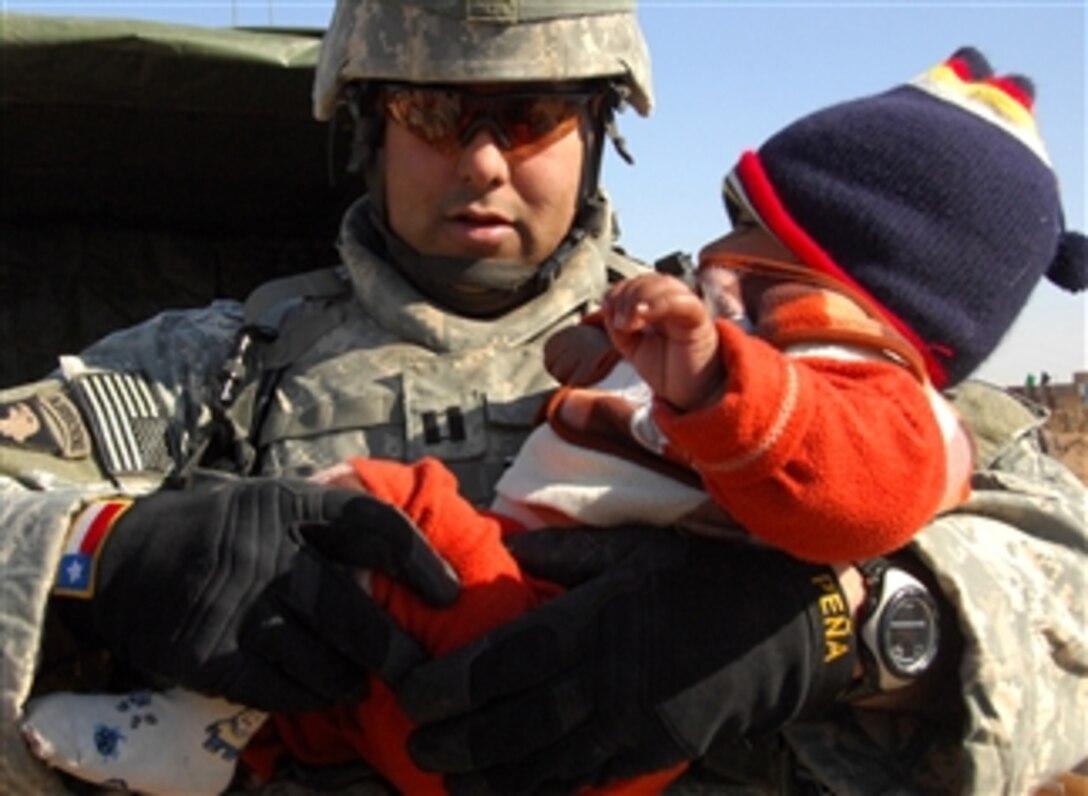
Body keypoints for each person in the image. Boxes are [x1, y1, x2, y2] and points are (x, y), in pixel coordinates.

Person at [1, 0, 1084, 791]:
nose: (478, 162)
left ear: (596, 131)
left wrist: (842, 629)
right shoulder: (218, 361)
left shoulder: (749, 350)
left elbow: (1065, 574)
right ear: (369, 126)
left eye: (526, 117)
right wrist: (105, 557)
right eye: (431, 112)